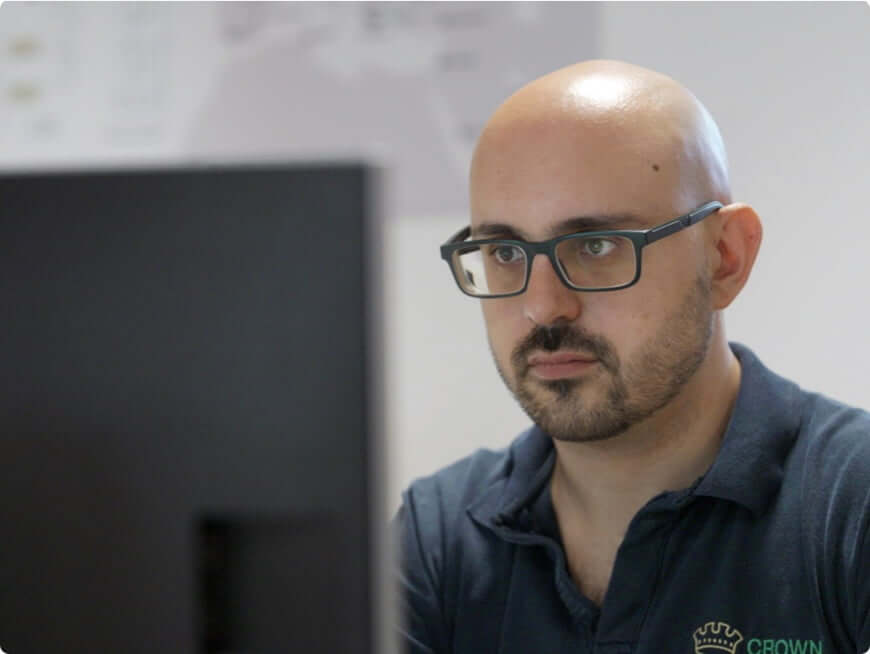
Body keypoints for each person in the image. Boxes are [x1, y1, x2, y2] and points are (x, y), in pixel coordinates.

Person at [395, 60, 870, 654]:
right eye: (505, 252)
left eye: (597, 246)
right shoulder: (439, 533)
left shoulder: (850, 503)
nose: (543, 308)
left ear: (724, 257)